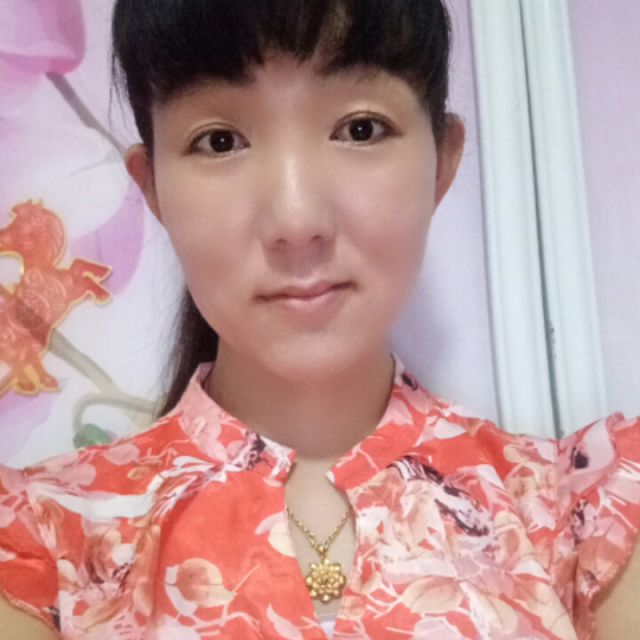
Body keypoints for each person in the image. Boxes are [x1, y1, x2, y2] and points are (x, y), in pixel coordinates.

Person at [1, 1, 639, 638]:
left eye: (360, 129)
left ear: (442, 162)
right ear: (153, 188)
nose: (296, 219)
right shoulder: (40, 541)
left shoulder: (588, 515)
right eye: (220, 141)